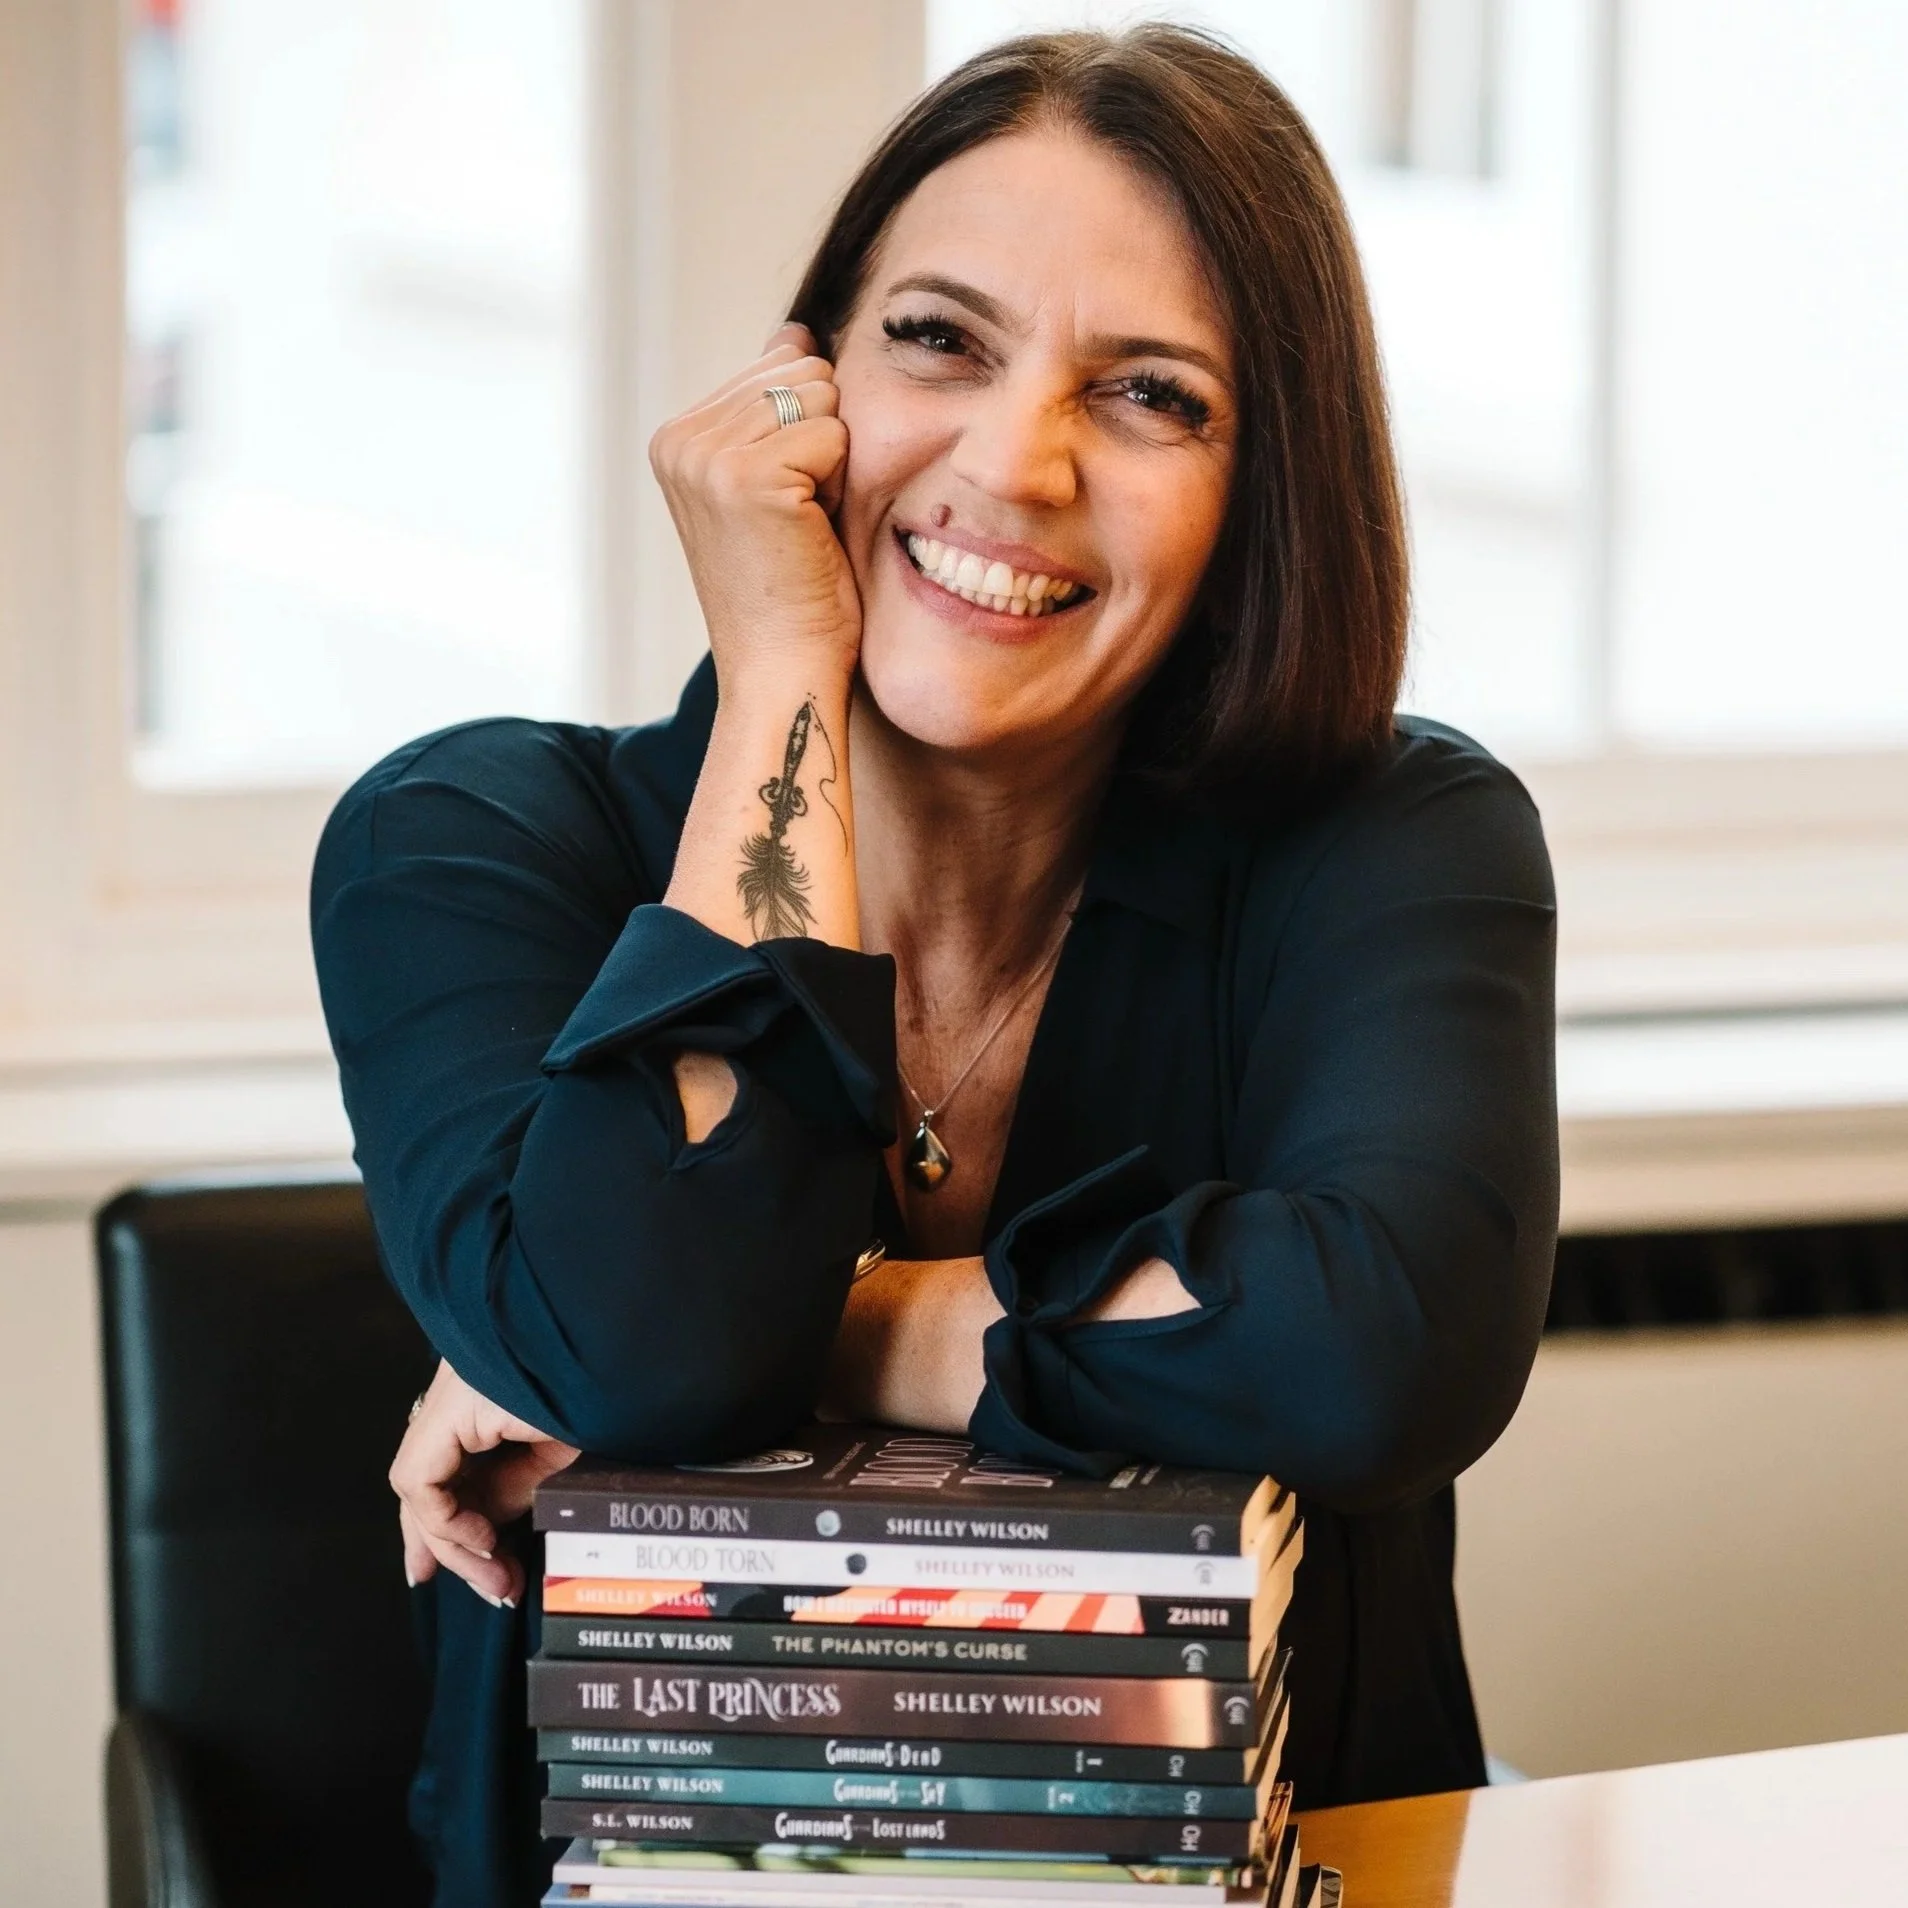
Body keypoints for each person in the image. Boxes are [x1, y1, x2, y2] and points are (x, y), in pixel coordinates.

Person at [312, 24, 1557, 1907]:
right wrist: (780, 669)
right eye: (938, 341)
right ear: (796, 389)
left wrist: (845, 1317)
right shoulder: (467, 844)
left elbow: (1382, 1345)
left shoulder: (1383, 841)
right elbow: (648, 1338)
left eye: (1148, 395)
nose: (1012, 460)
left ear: (1261, 493)